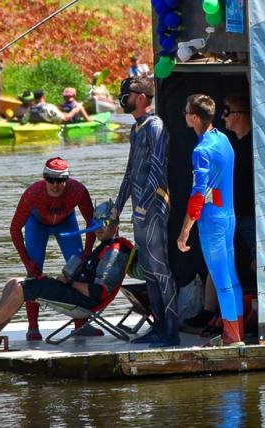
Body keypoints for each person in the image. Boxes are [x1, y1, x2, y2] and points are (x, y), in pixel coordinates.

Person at [0, 234, 131, 349]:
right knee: (14, 281)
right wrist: (69, 280)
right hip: (73, 291)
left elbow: (98, 292)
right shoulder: (105, 245)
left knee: (22, 289)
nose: (98, 229)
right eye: (96, 225)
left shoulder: (115, 251)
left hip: (84, 302)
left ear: (114, 226)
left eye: (103, 225)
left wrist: (70, 282)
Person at [104, 76, 177, 346]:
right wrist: (118, 209)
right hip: (140, 209)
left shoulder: (155, 125)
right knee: (147, 270)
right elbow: (130, 171)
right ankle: (157, 326)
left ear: (142, 97)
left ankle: (171, 330)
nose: (124, 98)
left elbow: (158, 167)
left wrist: (145, 203)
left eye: (128, 94)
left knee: (160, 270)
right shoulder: (136, 129)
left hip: (155, 206)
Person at [177, 93, 244, 345]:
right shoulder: (223, 140)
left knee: (221, 278)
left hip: (212, 221)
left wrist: (184, 231)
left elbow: (197, 195)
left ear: (194, 117)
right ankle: (236, 332)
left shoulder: (201, 150)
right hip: (228, 215)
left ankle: (232, 338)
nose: (184, 115)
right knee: (231, 276)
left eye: (186, 112)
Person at [11, 157, 98, 342]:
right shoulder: (32, 193)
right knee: (33, 274)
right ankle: (33, 327)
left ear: (68, 179)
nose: (55, 185)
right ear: (44, 177)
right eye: (50, 179)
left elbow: (92, 223)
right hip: (37, 224)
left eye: (61, 180)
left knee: (78, 270)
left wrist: (87, 252)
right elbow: (15, 228)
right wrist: (26, 260)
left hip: (66, 223)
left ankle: (81, 325)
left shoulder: (78, 191)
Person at [224, 91, 257, 340]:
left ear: (239, 115)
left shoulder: (255, 146)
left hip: (252, 217)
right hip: (231, 216)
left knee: (257, 264)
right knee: (222, 263)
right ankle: (211, 312)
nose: (222, 118)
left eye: (227, 112)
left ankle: (255, 314)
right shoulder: (229, 146)